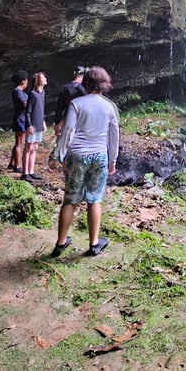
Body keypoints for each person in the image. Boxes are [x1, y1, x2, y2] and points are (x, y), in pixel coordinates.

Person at [50, 66, 119, 257]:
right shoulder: (109, 106)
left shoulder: (76, 104)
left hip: (77, 156)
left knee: (70, 200)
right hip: (99, 156)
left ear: (86, 83)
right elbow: (114, 136)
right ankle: (94, 244)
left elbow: (68, 132)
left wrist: (58, 155)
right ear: (104, 84)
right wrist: (113, 160)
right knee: (95, 198)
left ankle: (61, 243)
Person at [22, 71, 47, 182]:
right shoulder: (33, 94)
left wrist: (43, 122)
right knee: (28, 147)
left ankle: (31, 171)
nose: (45, 78)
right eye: (42, 77)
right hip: (32, 125)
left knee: (35, 148)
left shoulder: (42, 93)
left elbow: (40, 110)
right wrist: (29, 125)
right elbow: (28, 111)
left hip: (39, 123)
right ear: (37, 81)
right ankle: (25, 173)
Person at [53, 66, 86, 137]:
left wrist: (57, 123)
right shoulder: (87, 89)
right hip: (85, 121)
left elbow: (59, 108)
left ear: (74, 74)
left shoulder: (65, 89)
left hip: (68, 121)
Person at [8, 70, 29, 172]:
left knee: (18, 142)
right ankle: (18, 166)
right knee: (19, 143)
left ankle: (12, 163)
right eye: (26, 80)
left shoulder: (18, 92)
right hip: (20, 120)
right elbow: (24, 103)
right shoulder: (18, 92)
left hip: (20, 119)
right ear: (23, 81)